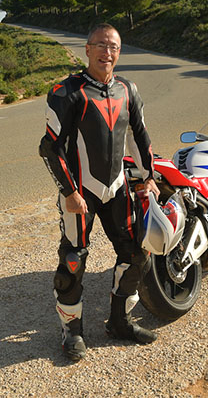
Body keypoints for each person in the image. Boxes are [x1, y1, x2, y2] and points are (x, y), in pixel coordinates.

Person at [39, 23, 161, 361]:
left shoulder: (127, 89)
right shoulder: (66, 91)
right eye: (101, 46)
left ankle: (119, 322)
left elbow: (140, 136)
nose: (108, 53)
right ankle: (72, 333)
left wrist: (149, 176)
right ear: (88, 49)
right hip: (80, 192)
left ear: (119, 53)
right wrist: (68, 191)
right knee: (74, 260)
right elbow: (50, 148)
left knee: (136, 253)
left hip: (118, 186)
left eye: (114, 47)